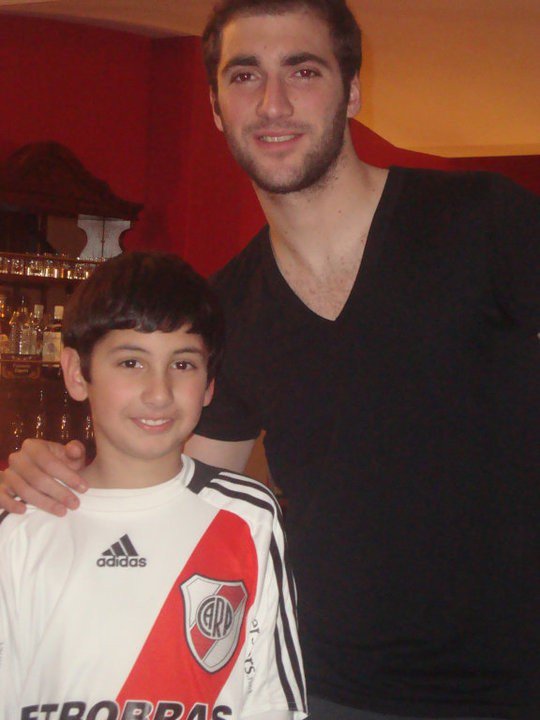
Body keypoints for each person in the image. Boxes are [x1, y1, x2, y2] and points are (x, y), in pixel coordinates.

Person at [1, 1, 539, 718]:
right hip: (328, 690)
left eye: (304, 71)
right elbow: (174, 486)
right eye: (245, 75)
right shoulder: (226, 308)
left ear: (352, 91)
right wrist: (58, 472)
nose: (273, 103)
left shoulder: (484, 221)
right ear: (216, 107)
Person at [0, 251, 307, 720]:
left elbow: (270, 701)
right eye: (131, 362)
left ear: (209, 384)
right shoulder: (22, 522)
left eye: (183, 365)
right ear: (77, 373)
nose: (159, 393)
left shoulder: (249, 517)